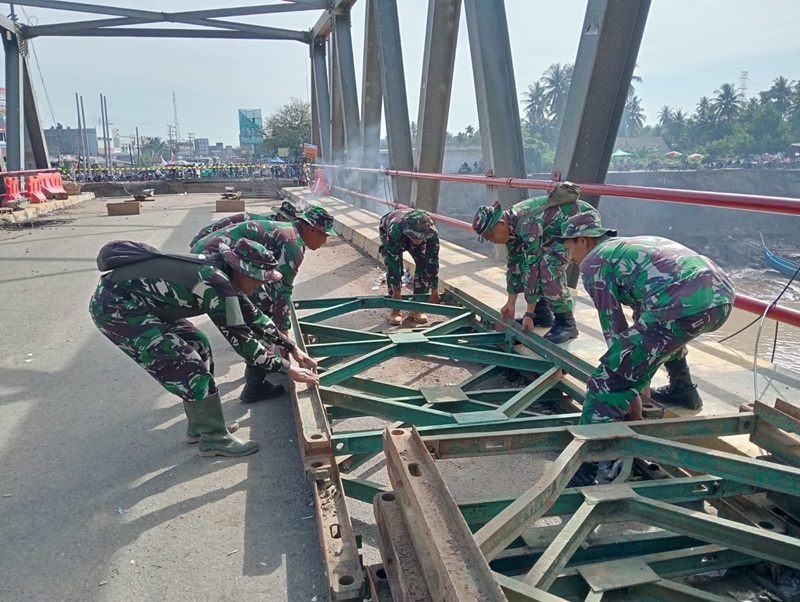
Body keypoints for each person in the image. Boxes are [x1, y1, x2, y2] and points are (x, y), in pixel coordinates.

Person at [89, 238, 319, 458]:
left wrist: (290, 346)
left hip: (144, 305)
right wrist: (288, 369)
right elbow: (244, 343)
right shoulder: (215, 283)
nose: (261, 284)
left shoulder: (223, 273)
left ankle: (202, 424)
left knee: (198, 344)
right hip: (116, 308)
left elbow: (254, 317)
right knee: (186, 364)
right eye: (258, 279)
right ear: (241, 270)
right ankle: (213, 438)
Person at [554, 211, 735, 425]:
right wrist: (642, 378)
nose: (570, 258)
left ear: (582, 240)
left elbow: (614, 329)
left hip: (684, 303)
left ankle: (598, 452)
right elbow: (645, 318)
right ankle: (682, 389)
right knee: (661, 332)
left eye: (569, 249)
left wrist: (631, 382)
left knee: (609, 378)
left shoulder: (594, 262)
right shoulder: (626, 246)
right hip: (721, 298)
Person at [191, 205, 336, 403]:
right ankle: (256, 384)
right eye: (324, 234)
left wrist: (198, 242)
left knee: (260, 310)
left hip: (205, 251)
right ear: (312, 228)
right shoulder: (294, 244)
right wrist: (283, 333)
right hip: (217, 262)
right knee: (265, 313)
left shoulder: (279, 227)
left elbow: (231, 219)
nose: (325, 241)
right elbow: (282, 290)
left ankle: (259, 363)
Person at [471, 182, 598, 343]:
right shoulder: (511, 226)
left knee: (548, 265)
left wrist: (528, 314)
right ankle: (542, 314)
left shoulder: (526, 224)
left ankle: (566, 323)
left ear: (500, 224)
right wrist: (511, 304)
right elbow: (514, 265)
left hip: (580, 222)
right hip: (560, 230)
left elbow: (533, 266)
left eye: (490, 235)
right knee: (526, 263)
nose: (492, 241)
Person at [378, 208, 441, 325]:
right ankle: (396, 309)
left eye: (421, 236)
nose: (417, 240)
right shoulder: (395, 230)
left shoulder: (432, 233)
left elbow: (432, 260)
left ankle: (417, 307)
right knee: (396, 266)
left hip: (407, 234)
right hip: (391, 230)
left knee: (423, 264)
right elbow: (393, 264)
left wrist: (434, 290)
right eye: (415, 236)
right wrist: (396, 294)